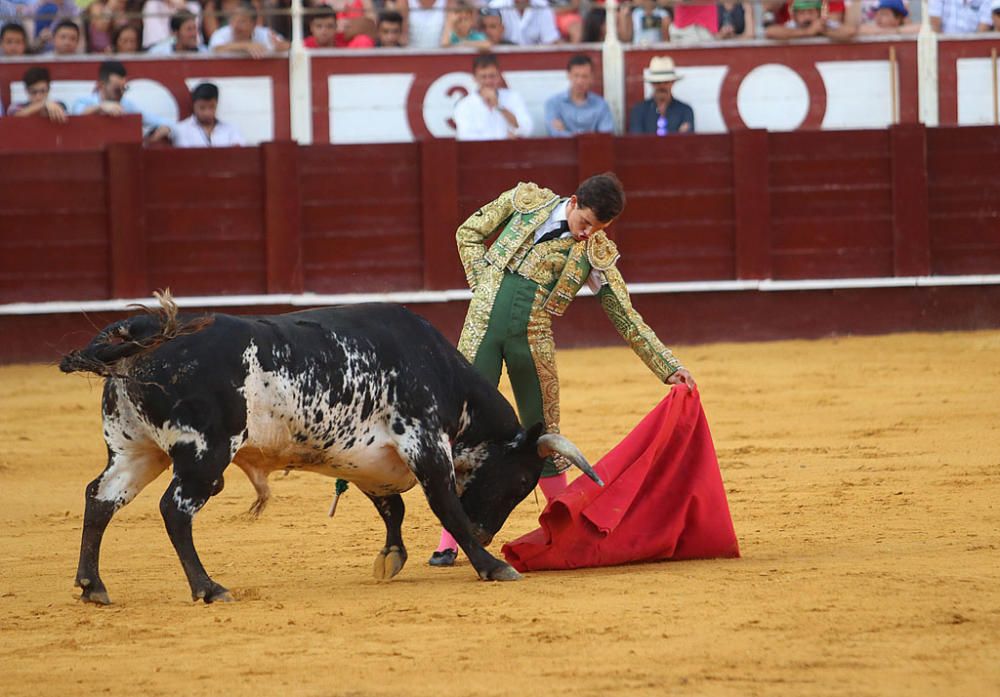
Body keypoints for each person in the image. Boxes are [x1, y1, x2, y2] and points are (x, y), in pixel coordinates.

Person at [428, 173, 696, 566]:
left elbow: (625, 315)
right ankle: (448, 539)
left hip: (532, 345)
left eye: (597, 229)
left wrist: (667, 367)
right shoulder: (525, 201)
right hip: (479, 331)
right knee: (460, 432)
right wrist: (482, 283)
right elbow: (467, 232)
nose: (588, 234)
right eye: (585, 223)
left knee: (548, 436)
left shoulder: (594, 253)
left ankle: (564, 531)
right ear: (572, 202)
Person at [71, 59, 173, 143]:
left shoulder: (126, 105)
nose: (122, 93)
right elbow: (75, 117)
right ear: (101, 85)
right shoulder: (84, 101)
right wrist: (100, 107)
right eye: (116, 89)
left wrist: (166, 128)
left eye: (124, 88)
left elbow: (161, 121)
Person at [453, 53, 533, 141]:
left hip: (509, 151)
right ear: (475, 78)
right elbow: (465, 136)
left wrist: (499, 106)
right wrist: (502, 139)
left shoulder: (513, 97)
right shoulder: (464, 104)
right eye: (483, 77)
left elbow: (527, 129)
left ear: (499, 76)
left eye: (492, 76)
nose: (488, 81)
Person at [543, 54, 613, 137]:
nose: (579, 81)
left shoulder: (601, 105)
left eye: (585, 76)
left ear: (591, 78)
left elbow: (605, 136)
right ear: (568, 75)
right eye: (576, 76)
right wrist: (590, 137)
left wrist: (566, 133)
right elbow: (555, 133)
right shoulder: (553, 103)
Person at [628, 55, 694, 135]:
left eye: (666, 82)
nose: (662, 86)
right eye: (658, 83)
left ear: (672, 82)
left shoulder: (685, 110)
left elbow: (687, 142)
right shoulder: (639, 111)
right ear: (652, 84)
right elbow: (637, 142)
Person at [173, 82, 246, 147]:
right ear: (193, 105)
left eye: (211, 107)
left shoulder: (231, 129)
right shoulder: (181, 130)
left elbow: (239, 154)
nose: (207, 112)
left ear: (217, 104)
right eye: (202, 108)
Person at [209, 0, 289, 56]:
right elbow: (216, 48)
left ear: (253, 25)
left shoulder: (264, 33)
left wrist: (280, 47)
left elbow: (287, 46)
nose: (235, 26)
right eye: (233, 20)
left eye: (242, 22)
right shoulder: (221, 33)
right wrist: (246, 46)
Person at [488, 0, 560, 45]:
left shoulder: (543, 6)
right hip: (503, 59)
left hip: (535, 59)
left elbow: (550, 41)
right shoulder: (495, 5)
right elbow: (489, 41)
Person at [765, 0, 846, 38]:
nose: (807, 17)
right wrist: (807, 32)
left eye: (811, 12)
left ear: (819, 13)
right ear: (794, 15)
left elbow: (850, 32)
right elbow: (770, 32)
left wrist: (823, 31)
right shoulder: (793, 25)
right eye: (802, 13)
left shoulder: (824, 24)